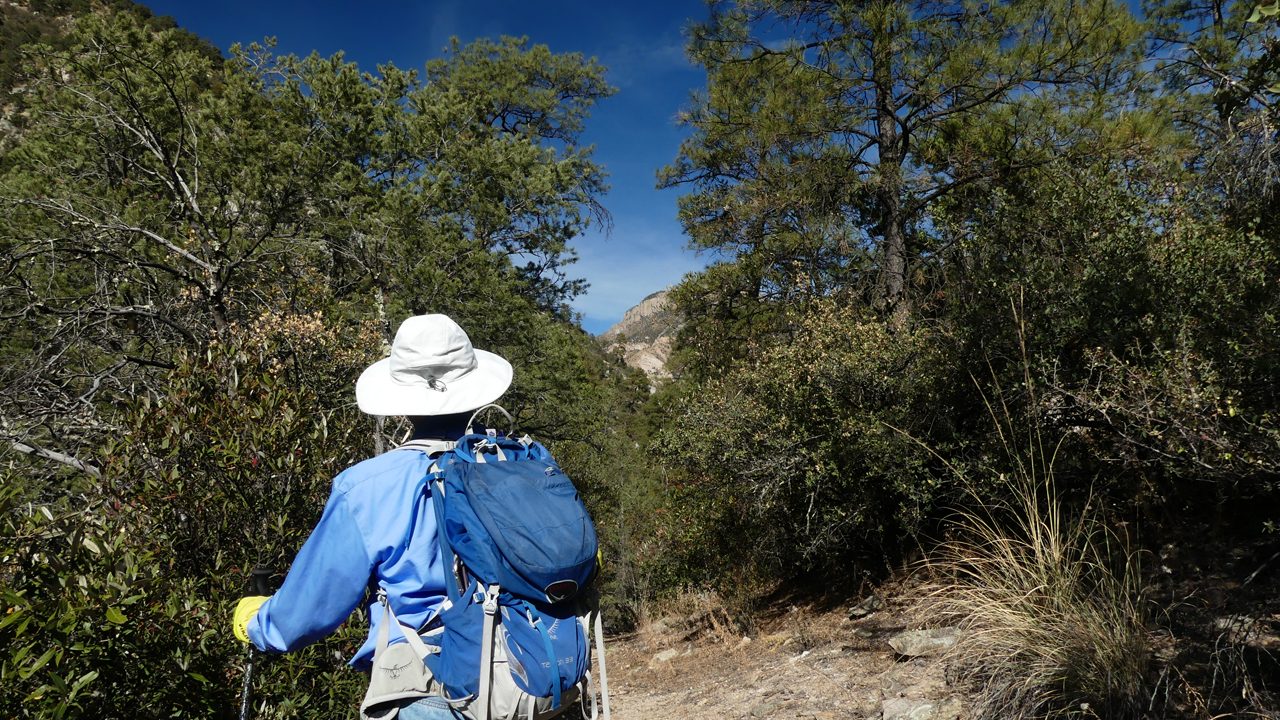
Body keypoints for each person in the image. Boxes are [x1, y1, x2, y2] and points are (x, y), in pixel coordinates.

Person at [232, 314, 514, 720]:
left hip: (434, 689)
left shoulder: (367, 486)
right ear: (472, 387)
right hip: (532, 674)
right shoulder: (520, 463)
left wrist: (256, 623)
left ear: (401, 399)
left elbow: (310, 609)